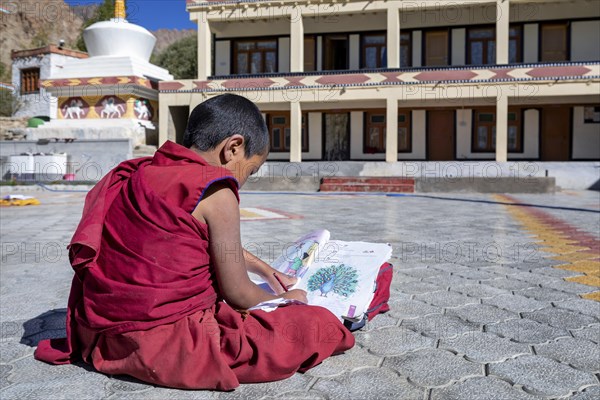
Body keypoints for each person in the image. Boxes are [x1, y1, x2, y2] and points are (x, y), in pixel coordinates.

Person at [34, 94, 355, 390]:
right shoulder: (215, 189)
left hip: (104, 337)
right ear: (233, 148)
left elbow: (199, 241)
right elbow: (239, 294)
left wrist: (265, 268)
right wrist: (290, 300)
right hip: (173, 346)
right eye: (251, 169)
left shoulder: (139, 173)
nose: (244, 180)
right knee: (313, 324)